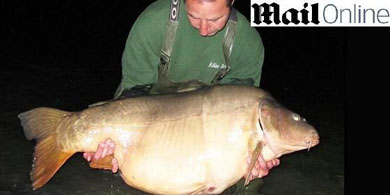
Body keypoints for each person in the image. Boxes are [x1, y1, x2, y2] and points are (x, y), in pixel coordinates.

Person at [83, 0, 280, 193]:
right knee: (119, 174)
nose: (203, 30)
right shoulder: (154, 21)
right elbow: (133, 92)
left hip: (206, 129)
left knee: (247, 183)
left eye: (215, 19)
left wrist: (254, 159)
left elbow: (241, 113)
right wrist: (110, 141)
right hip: (149, 120)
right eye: (193, 16)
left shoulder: (247, 42)